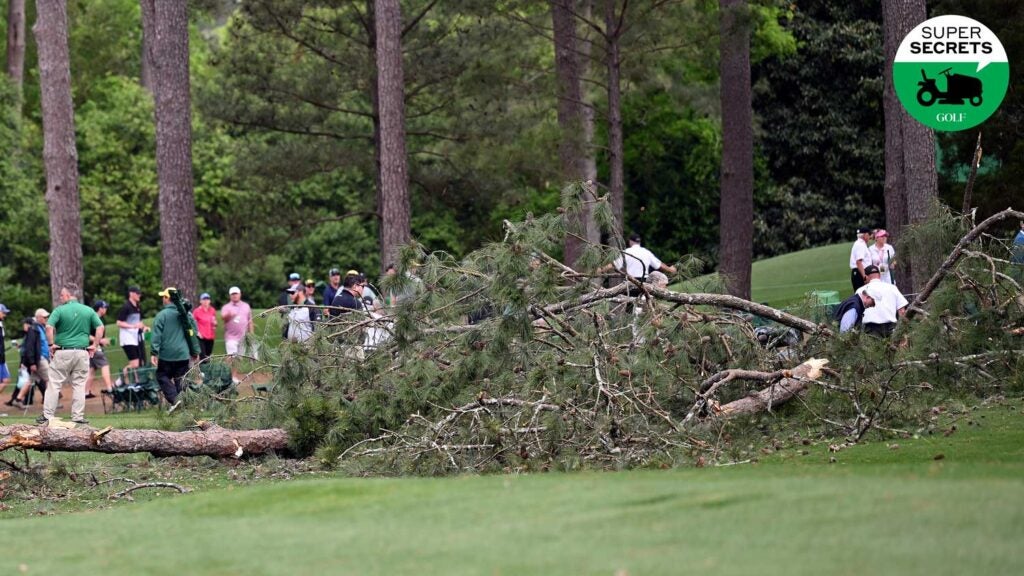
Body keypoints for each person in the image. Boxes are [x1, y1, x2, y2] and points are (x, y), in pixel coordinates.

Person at [44, 283, 104, 425]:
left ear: (68, 295)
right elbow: (100, 327)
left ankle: (47, 416)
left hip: (63, 351)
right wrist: (94, 345)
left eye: (62, 295)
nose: (60, 297)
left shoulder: (59, 310)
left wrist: (51, 344)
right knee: (79, 385)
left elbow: (48, 327)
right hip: (82, 352)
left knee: (54, 383)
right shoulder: (88, 310)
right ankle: (77, 416)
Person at [150, 288, 199, 407]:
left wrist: (154, 352)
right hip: (183, 354)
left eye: (164, 297)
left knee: (162, 376)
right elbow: (194, 331)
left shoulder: (162, 315)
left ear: (167, 298)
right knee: (181, 379)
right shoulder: (185, 314)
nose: (162, 299)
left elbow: (156, 335)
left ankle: (174, 399)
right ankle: (183, 404)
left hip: (167, 355)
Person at [600, 233, 677, 288]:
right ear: (639, 242)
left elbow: (614, 264)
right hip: (644, 283)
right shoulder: (646, 252)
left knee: (630, 306)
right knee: (643, 304)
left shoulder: (627, 251)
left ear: (630, 241)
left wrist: (600, 270)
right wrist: (671, 270)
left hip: (630, 282)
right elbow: (659, 265)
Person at [13, 308, 52, 408]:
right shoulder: (34, 329)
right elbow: (30, 347)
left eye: (47, 317)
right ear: (38, 317)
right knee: (50, 379)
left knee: (30, 380)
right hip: (39, 359)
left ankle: (18, 399)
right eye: (44, 317)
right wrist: (32, 362)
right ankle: (50, 402)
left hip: (41, 358)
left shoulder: (41, 328)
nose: (46, 318)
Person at [856, 265, 909, 337]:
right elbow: (902, 311)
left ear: (866, 277)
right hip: (891, 328)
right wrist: (903, 332)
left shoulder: (860, 291)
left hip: (871, 330)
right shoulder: (892, 288)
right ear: (879, 275)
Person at [220, 286, 254, 383]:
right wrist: (229, 315)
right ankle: (227, 376)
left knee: (239, 358)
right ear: (230, 296)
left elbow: (250, 321)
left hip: (243, 337)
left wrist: (251, 334)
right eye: (233, 294)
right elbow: (223, 317)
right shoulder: (226, 307)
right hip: (231, 337)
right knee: (232, 356)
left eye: (236, 294)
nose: (234, 296)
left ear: (240, 294)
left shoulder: (246, 306)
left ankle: (233, 376)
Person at [86, 301, 113, 398]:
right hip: (94, 347)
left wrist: (103, 341)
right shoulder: (94, 319)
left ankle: (86, 392)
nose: (106, 309)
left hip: (92, 347)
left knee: (91, 369)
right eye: (104, 307)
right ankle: (110, 388)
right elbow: (86, 335)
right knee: (105, 364)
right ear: (99, 308)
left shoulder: (99, 319)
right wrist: (100, 341)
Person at [117, 286, 148, 369]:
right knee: (135, 364)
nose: (139, 295)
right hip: (127, 339)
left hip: (136, 339)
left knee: (140, 363)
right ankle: (119, 381)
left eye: (140, 293)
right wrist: (133, 326)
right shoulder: (126, 307)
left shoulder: (138, 306)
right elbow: (119, 323)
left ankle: (137, 381)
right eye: (137, 293)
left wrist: (144, 327)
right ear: (131, 294)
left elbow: (139, 322)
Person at [193, 292, 217, 362]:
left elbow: (214, 321)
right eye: (204, 299)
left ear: (210, 301)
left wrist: (215, 323)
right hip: (201, 337)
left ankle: (206, 371)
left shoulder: (212, 310)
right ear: (200, 301)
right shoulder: (196, 311)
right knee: (203, 357)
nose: (206, 301)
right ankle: (202, 371)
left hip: (210, 337)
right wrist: (197, 332)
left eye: (207, 299)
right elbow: (192, 323)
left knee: (208, 356)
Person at [0, 303, 9, 395]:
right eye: (3, 312)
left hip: (2, 359)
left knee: (6, 380)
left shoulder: (1, 324)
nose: (5, 315)